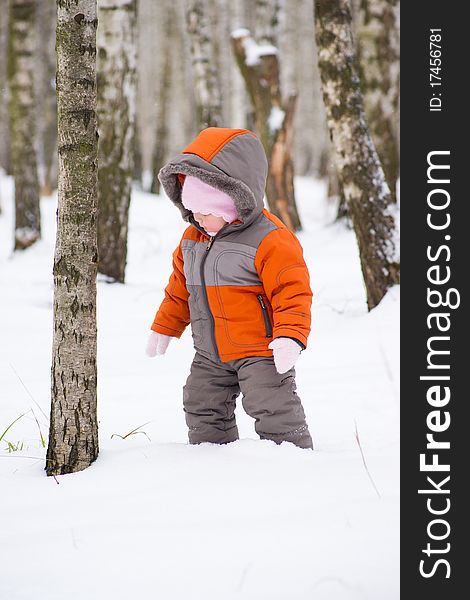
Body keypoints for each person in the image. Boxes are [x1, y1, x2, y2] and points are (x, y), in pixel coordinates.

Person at [146, 127, 313, 449]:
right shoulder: (192, 240)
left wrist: (290, 335)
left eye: (207, 212)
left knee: (273, 406)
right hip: (209, 352)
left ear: (234, 203)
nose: (198, 219)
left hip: (260, 351)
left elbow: (292, 292)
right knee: (200, 404)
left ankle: (293, 460)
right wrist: (164, 327)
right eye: (192, 211)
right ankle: (214, 460)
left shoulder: (271, 239)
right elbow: (180, 290)